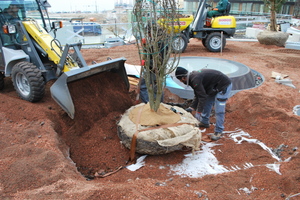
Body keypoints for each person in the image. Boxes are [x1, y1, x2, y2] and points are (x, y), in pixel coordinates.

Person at [175, 66, 232, 141]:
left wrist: (198, 112)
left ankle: (219, 131)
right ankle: (204, 122)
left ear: (183, 78)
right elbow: (198, 93)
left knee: (219, 110)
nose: (181, 82)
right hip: (213, 87)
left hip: (223, 86)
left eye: (180, 80)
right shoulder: (192, 78)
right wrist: (192, 107)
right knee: (207, 103)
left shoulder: (195, 79)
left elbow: (202, 97)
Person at [139, 25, 167, 103]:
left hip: (154, 69)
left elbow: (158, 59)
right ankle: (158, 104)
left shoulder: (159, 44)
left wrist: (146, 62)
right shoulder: (160, 41)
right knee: (157, 87)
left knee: (144, 86)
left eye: (148, 33)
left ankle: (148, 103)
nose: (148, 35)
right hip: (157, 69)